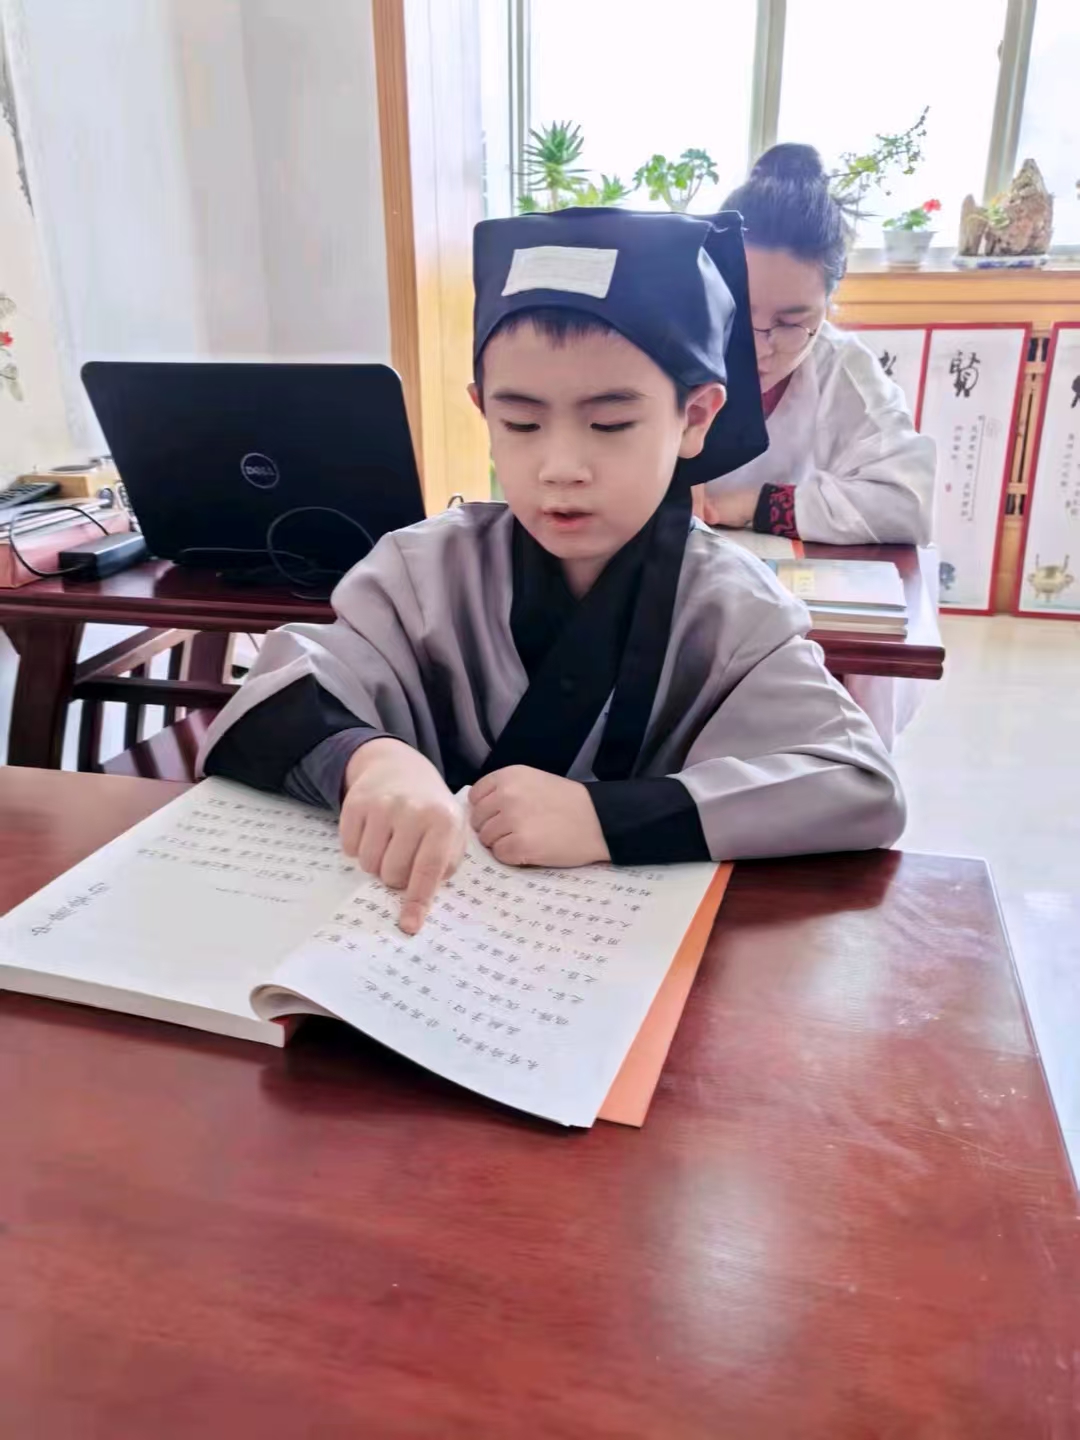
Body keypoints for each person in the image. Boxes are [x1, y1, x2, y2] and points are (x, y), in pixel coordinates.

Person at [199, 207, 905, 933]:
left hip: (631, 950)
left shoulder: (732, 608)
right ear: (483, 411)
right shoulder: (422, 571)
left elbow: (857, 782)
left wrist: (606, 818)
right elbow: (283, 692)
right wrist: (372, 761)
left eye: (610, 424)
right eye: (522, 424)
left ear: (694, 416)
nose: (559, 467)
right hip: (427, 934)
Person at [697, 144, 935, 546]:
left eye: (790, 323)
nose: (760, 349)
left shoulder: (842, 370)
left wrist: (757, 504)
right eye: (737, 313)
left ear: (828, 305)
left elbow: (908, 505)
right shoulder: (662, 350)